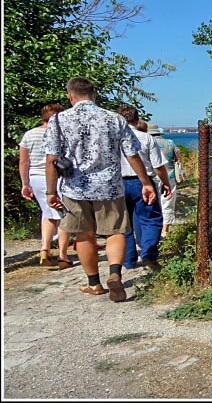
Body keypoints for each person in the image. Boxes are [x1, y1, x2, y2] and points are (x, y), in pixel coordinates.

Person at [44, 76, 155, 302]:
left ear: (71, 96)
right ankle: (115, 274)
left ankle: (94, 283)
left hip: (75, 188)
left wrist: (50, 191)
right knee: (115, 232)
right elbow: (132, 155)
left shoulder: (58, 121)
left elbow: (51, 159)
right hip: (109, 186)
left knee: (83, 234)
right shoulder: (114, 119)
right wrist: (146, 182)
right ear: (93, 95)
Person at [117, 105, 171, 272]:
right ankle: (148, 253)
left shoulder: (113, 139)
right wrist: (165, 183)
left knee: (123, 223)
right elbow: (158, 166)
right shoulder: (146, 138)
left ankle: (128, 259)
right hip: (143, 182)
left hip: (118, 183)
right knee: (151, 219)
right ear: (136, 119)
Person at [19, 103, 72, 269]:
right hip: (57, 177)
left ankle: (44, 249)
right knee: (65, 214)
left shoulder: (29, 134)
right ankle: (63, 256)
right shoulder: (62, 135)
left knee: (48, 213)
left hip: (36, 177)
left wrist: (25, 183)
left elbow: (23, 162)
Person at [148, 124, 182, 238]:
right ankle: (165, 230)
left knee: (152, 203)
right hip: (169, 177)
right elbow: (178, 158)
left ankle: (153, 228)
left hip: (152, 177)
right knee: (167, 203)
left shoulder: (147, 142)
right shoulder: (170, 142)